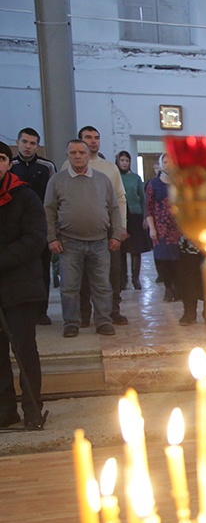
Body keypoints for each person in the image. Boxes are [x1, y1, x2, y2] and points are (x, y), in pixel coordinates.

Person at [45, 139, 121, 338]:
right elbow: (49, 210)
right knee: (69, 287)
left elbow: (114, 208)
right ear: (67, 155)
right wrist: (52, 237)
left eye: (81, 152)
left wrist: (116, 235)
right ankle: (71, 323)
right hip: (69, 243)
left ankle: (103, 321)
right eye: (73, 153)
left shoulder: (102, 179)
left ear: (88, 155)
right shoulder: (57, 180)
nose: (77, 156)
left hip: (100, 242)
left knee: (102, 286)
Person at [0, 141, 47, 429]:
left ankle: (32, 408)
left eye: (0, 158)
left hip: (20, 285)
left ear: (8, 163)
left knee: (24, 349)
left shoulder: (25, 196)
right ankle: (5, 411)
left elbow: (34, 239)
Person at [69, 126, 128, 326]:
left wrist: (122, 227)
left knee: (113, 274)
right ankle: (84, 314)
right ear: (80, 141)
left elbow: (120, 198)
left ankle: (113, 311)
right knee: (83, 277)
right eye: (88, 138)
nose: (93, 141)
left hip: (108, 231)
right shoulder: (65, 168)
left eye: (96, 137)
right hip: (76, 234)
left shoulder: (110, 168)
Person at [9, 128, 57, 325]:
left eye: (32, 143)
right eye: (24, 142)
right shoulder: (9, 165)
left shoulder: (47, 166)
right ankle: (17, 310)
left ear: (37, 145)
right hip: (14, 229)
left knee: (42, 268)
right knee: (17, 269)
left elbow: (53, 198)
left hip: (40, 227)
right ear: (18, 142)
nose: (28, 146)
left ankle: (41, 311)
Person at [145, 153, 181, 303]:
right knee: (164, 261)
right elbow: (149, 208)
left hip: (178, 229)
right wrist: (152, 228)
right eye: (165, 162)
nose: (168, 164)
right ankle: (168, 289)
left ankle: (177, 289)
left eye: (170, 161)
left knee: (178, 260)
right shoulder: (153, 184)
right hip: (161, 229)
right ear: (160, 164)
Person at [115, 151, 150, 290]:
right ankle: (123, 279)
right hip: (120, 215)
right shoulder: (115, 177)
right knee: (121, 249)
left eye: (126, 160)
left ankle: (136, 278)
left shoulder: (135, 178)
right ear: (117, 161)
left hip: (135, 215)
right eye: (122, 160)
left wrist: (145, 217)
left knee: (136, 249)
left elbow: (143, 198)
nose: (124, 163)